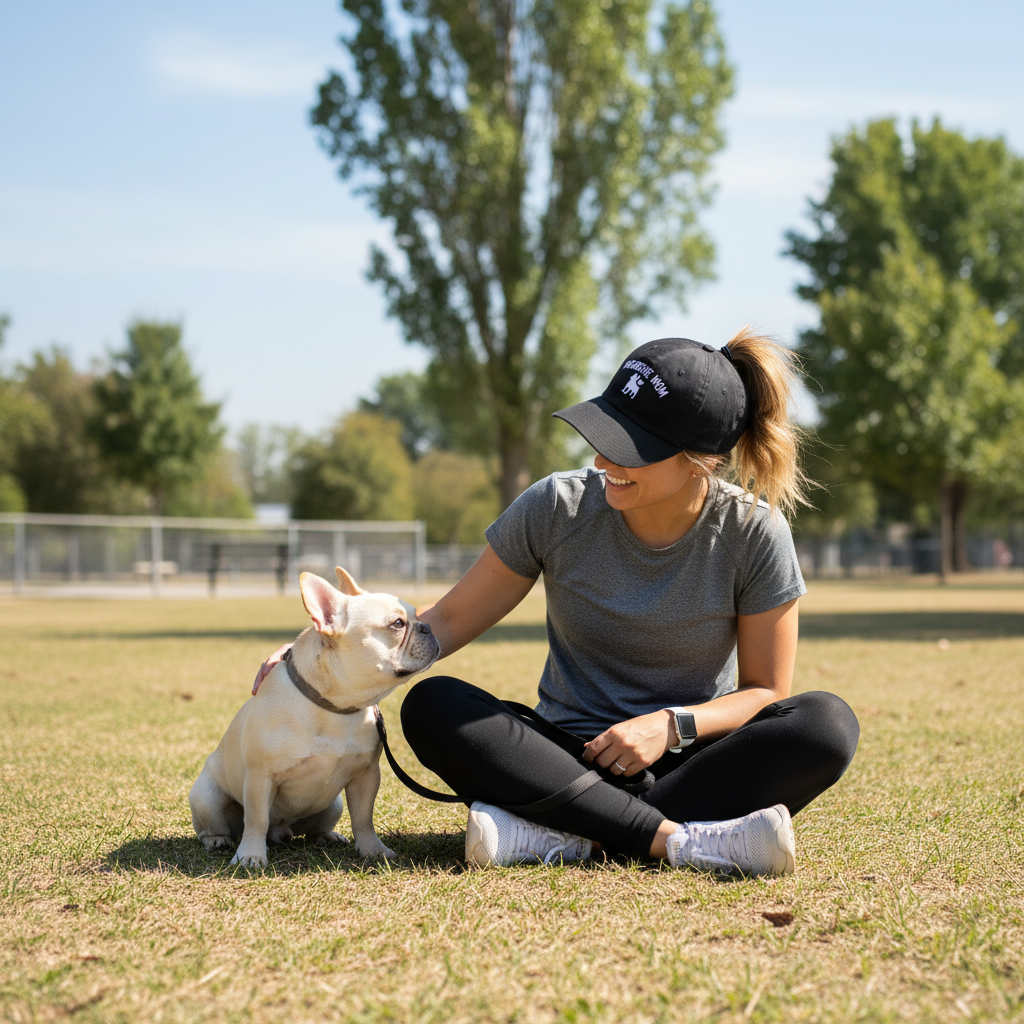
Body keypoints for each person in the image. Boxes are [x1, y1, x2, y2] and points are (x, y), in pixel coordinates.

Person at [255, 330, 860, 875]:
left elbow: (764, 693)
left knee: (827, 725)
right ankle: (685, 840)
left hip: (686, 760)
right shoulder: (557, 506)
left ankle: (570, 836)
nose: (603, 461)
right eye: (604, 435)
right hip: (558, 759)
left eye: (632, 447)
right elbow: (445, 622)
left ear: (704, 458)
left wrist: (670, 727)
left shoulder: (754, 531)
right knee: (434, 706)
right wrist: (320, 655)